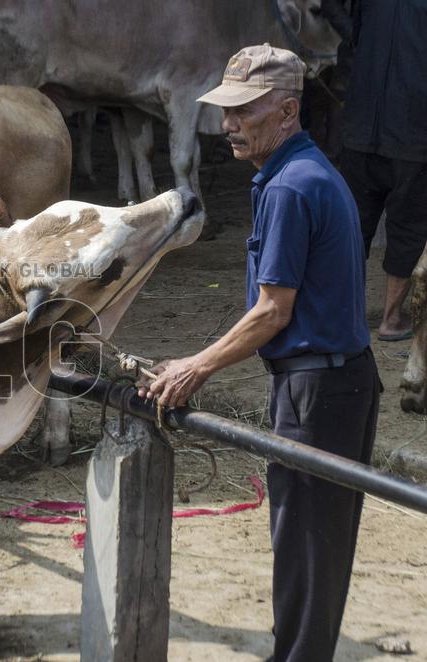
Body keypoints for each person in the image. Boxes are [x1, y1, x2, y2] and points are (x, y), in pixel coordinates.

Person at [138, 44, 380, 662]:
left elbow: (274, 311)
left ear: (288, 111)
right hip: (334, 380)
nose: (228, 126)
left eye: (243, 111)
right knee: (311, 550)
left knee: (304, 547)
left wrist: (196, 366)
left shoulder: (291, 188)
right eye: (226, 111)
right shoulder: (305, 174)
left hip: (316, 389)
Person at [339, 0, 427, 341]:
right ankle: (391, 319)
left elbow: (347, 27)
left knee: (352, 225)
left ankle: (346, 315)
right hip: (413, 130)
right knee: (408, 226)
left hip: (361, 126)